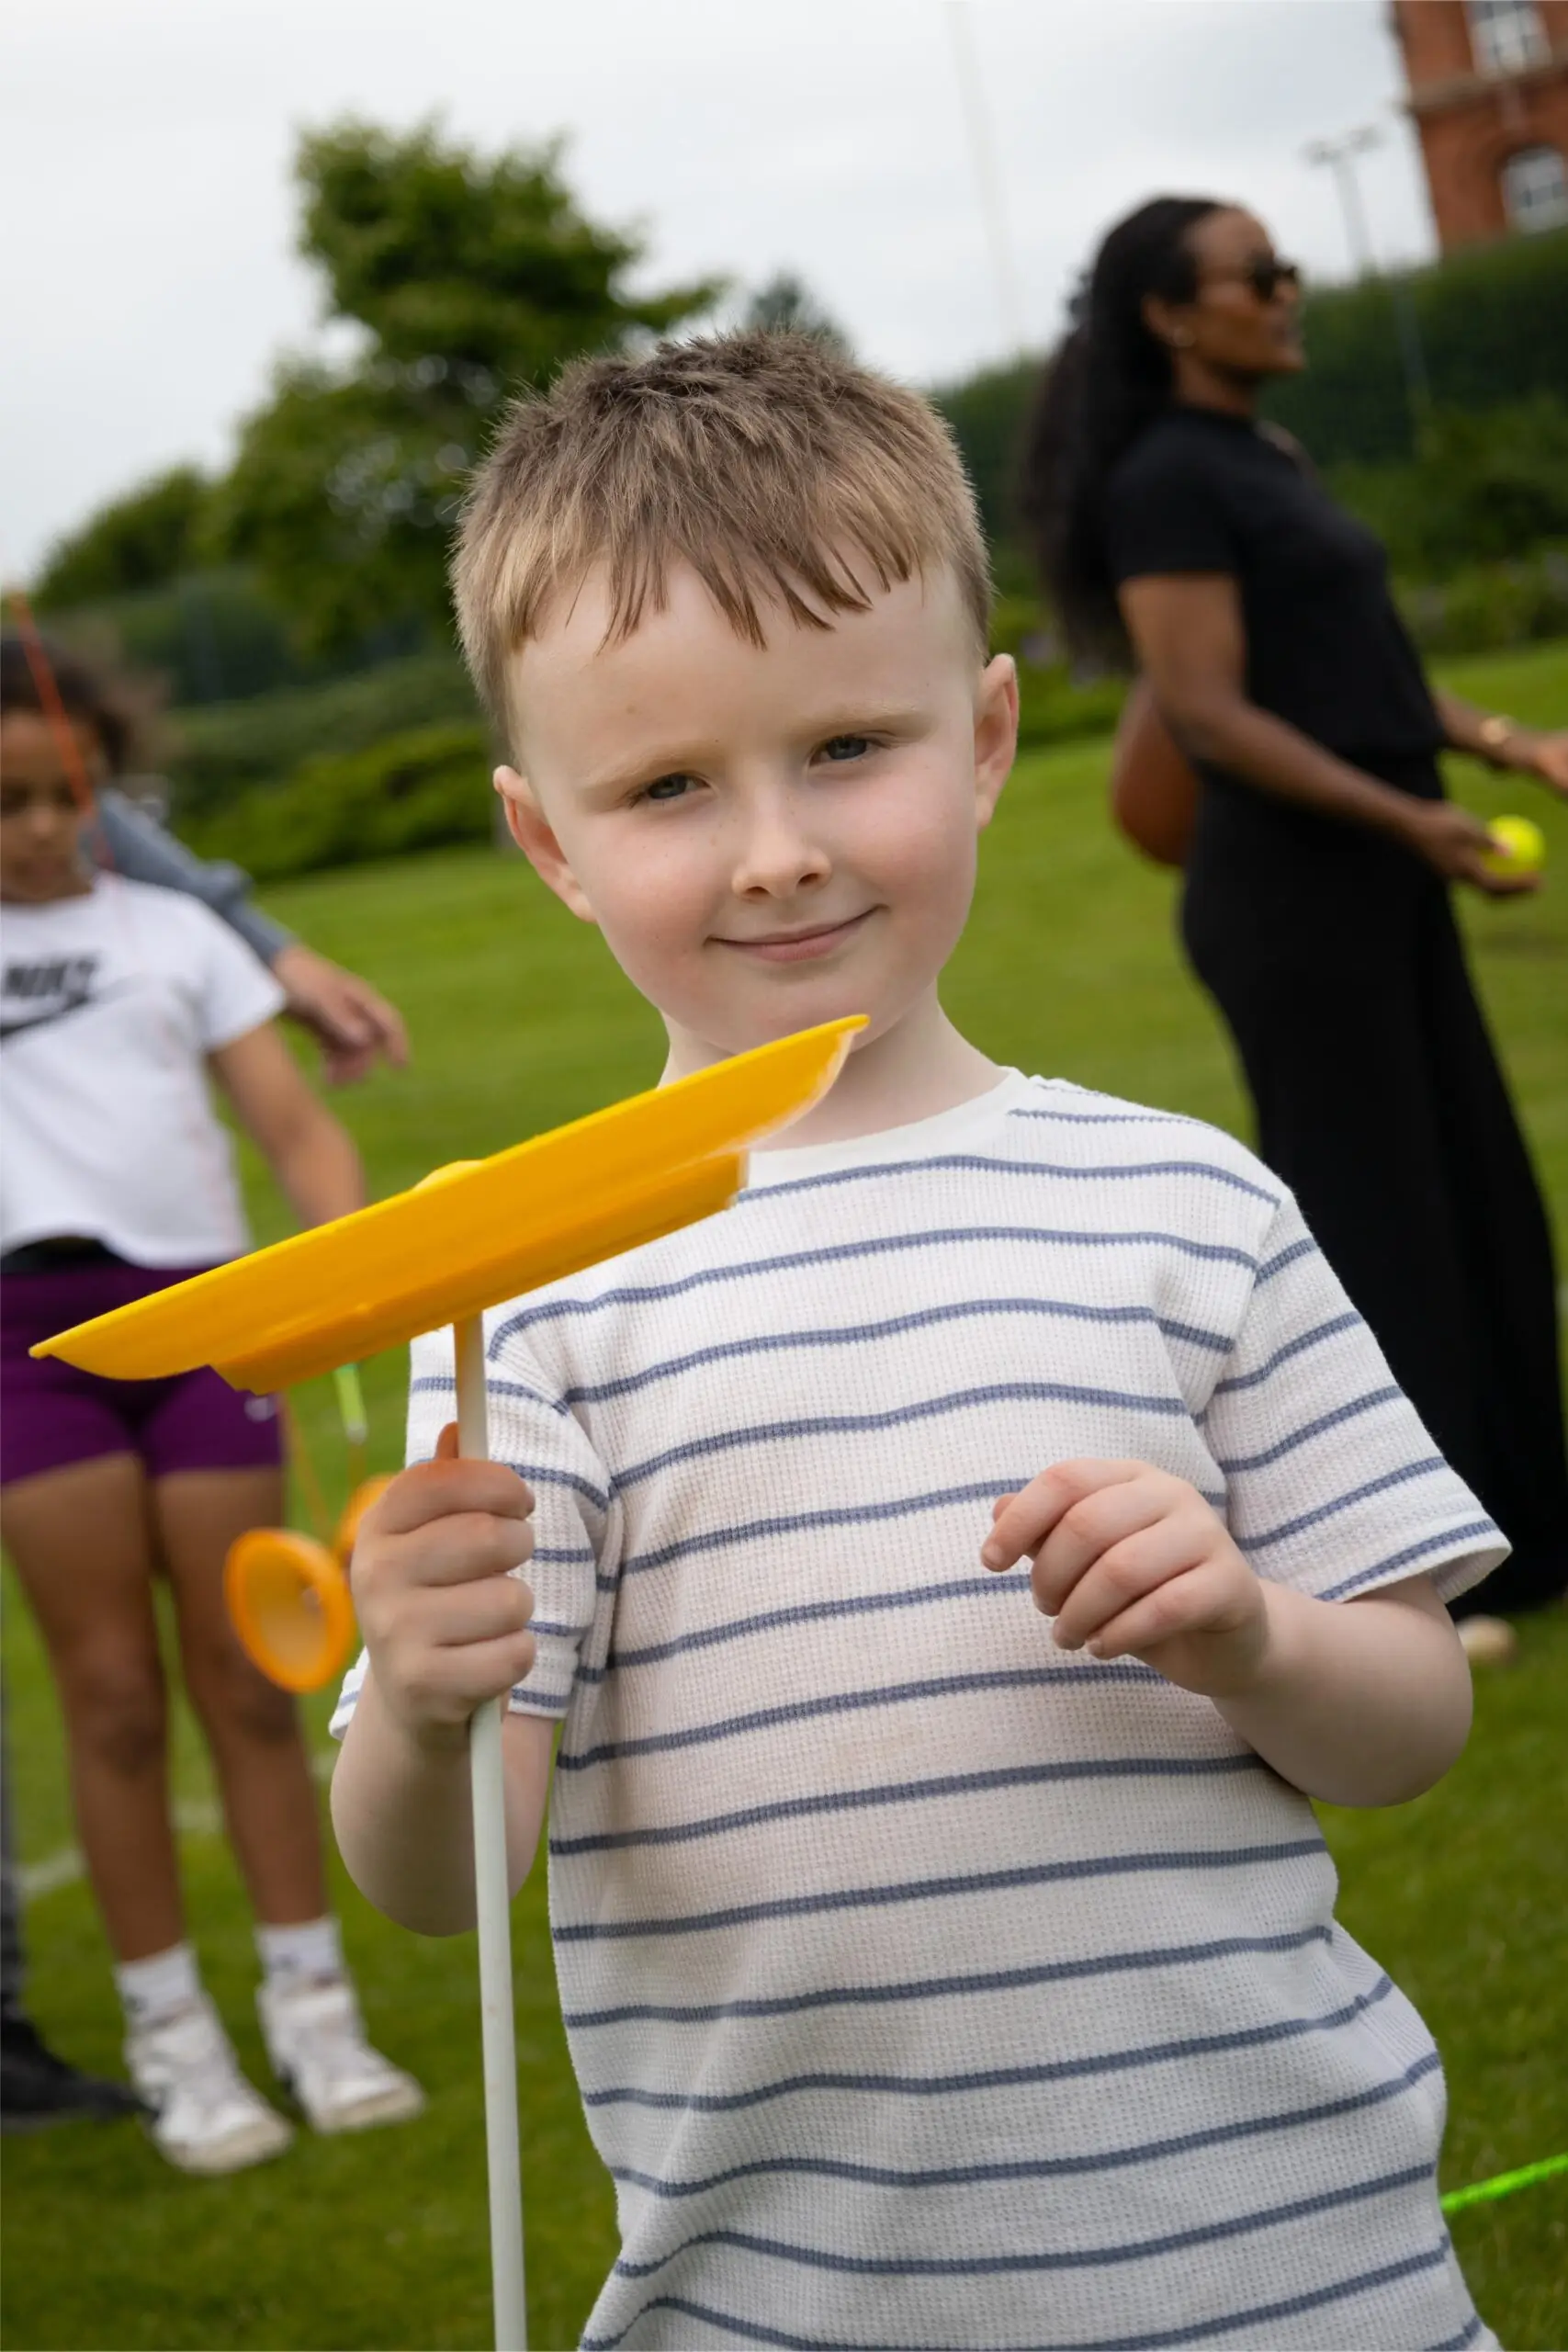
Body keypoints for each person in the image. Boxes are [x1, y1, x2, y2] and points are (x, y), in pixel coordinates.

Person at [332, 333, 1504, 2349]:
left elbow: (1407, 1725)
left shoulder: (1185, 1207)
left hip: (1290, 2271)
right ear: (551, 841)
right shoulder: (528, 1298)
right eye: (671, 785)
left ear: (979, 737)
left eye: (844, 748)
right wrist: (423, 1711)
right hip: (797, 2304)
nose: (776, 845)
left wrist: (1250, 1631)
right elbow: (448, 1882)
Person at [1019, 195, 1568, 1626]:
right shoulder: (1164, 483)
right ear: (1171, 314)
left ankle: (1526, 1531)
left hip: (1377, 879)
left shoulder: (1264, 453)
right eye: (1255, 275)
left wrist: (1508, 748)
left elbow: (1358, 669)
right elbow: (1205, 713)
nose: (1284, 293)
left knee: (1478, 1202)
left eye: (1286, 269)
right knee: (1383, 1226)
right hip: (1293, 899)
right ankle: (1424, 1584)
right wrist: (1412, 819)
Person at [0, 635, 423, 2172]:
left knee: (253, 1680)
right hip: (24, 1351)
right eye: (5, 802)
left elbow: (300, 1135)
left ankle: (316, 2020)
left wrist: (334, 1272)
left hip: (201, 1327)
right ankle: (174, 2044)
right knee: (110, 1700)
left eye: (68, 795)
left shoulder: (177, 935)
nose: (42, 828)